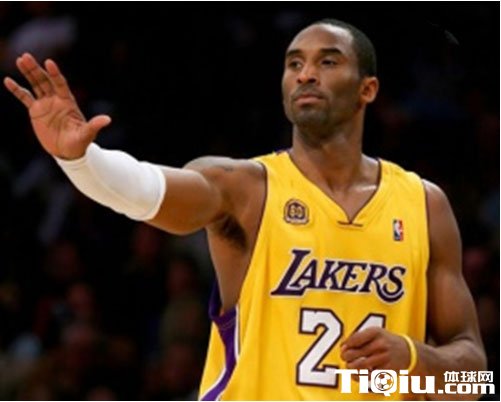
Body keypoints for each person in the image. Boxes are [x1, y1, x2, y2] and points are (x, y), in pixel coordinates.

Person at [5, 18, 486, 400]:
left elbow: (474, 382)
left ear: (368, 89)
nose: (306, 73)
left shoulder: (423, 204)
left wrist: (414, 360)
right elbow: (149, 192)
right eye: (294, 63)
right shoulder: (245, 188)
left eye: (328, 61)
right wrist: (82, 160)